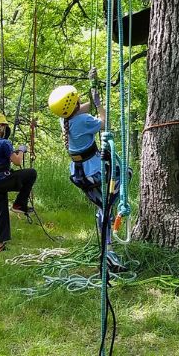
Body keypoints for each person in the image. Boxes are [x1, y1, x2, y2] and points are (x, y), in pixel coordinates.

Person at [48, 71, 127, 272]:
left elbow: (82, 108)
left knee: (103, 207)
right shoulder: (83, 121)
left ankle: (107, 245)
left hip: (79, 173)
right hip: (94, 171)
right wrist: (99, 104)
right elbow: (104, 122)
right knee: (123, 176)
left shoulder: (65, 119)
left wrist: (92, 88)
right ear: (73, 106)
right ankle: (108, 251)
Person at [0, 112, 37, 253]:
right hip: (3, 180)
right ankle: (19, 204)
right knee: (31, 173)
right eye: (4, 126)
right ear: (0, 127)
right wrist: (22, 150)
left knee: (1, 210)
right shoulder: (4, 143)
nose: (5, 128)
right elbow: (17, 161)